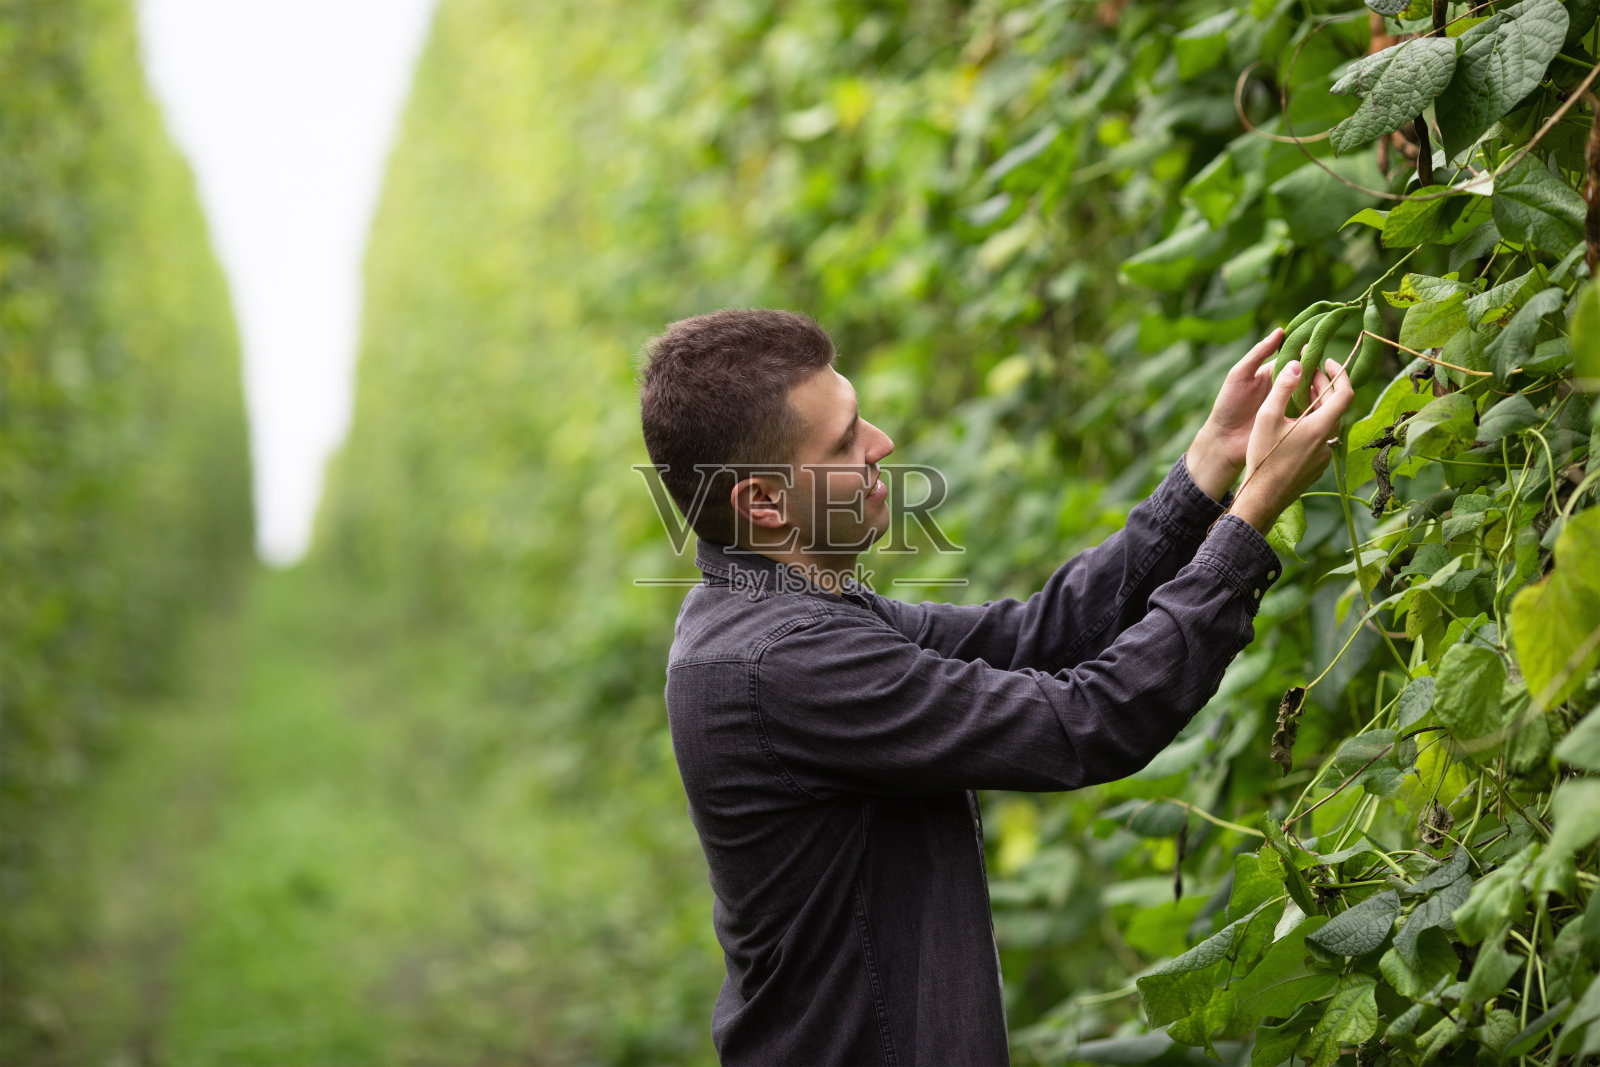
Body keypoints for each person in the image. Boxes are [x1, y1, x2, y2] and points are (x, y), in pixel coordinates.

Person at [637, 308, 1352, 1066]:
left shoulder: (776, 610)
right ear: (763, 503)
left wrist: (1214, 460)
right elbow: (1088, 720)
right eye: (845, 440)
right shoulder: (785, 662)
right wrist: (1251, 516)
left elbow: (1037, 640)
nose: (882, 444)